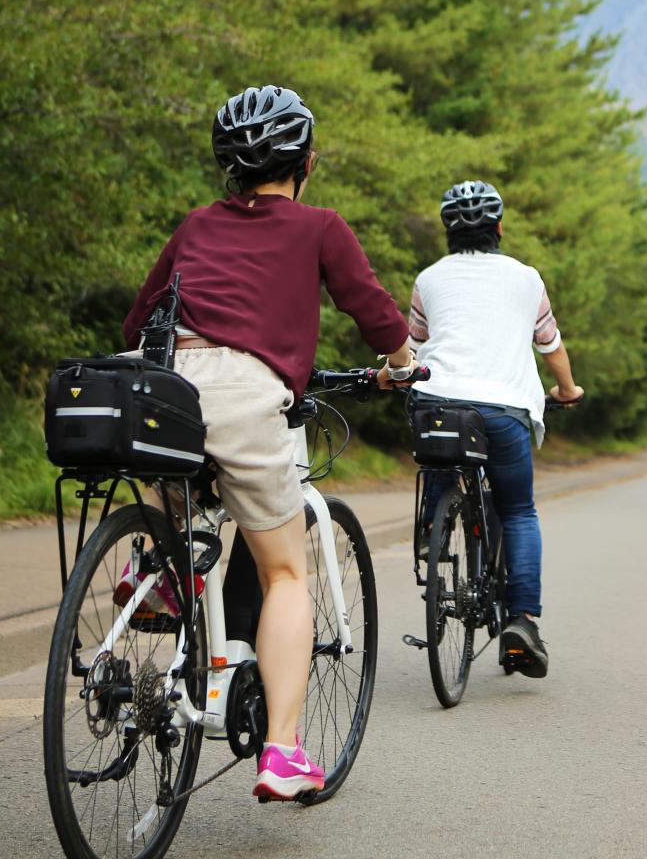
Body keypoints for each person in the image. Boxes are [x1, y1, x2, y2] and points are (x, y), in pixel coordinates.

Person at [121, 85, 417, 802]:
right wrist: (405, 367)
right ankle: (282, 751)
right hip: (245, 394)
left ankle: (158, 569)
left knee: (182, 498)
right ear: (306, 161)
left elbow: (138, 321)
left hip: (159, 387)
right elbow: (373, 310)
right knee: (287, 572)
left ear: (229, 167)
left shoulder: (195, 224)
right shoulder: (320, 225)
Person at [408, 180, 583, 678]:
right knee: (520, 511)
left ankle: (433, 530)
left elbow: (413, 346)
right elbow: (550, 345)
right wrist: (566, 390)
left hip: (440, 403)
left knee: (440, 449)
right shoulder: (526, 279)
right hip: (506, 410)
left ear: (447, 231)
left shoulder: (430, 278)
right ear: (499, 228)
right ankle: (523, 620)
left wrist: (395, 377)